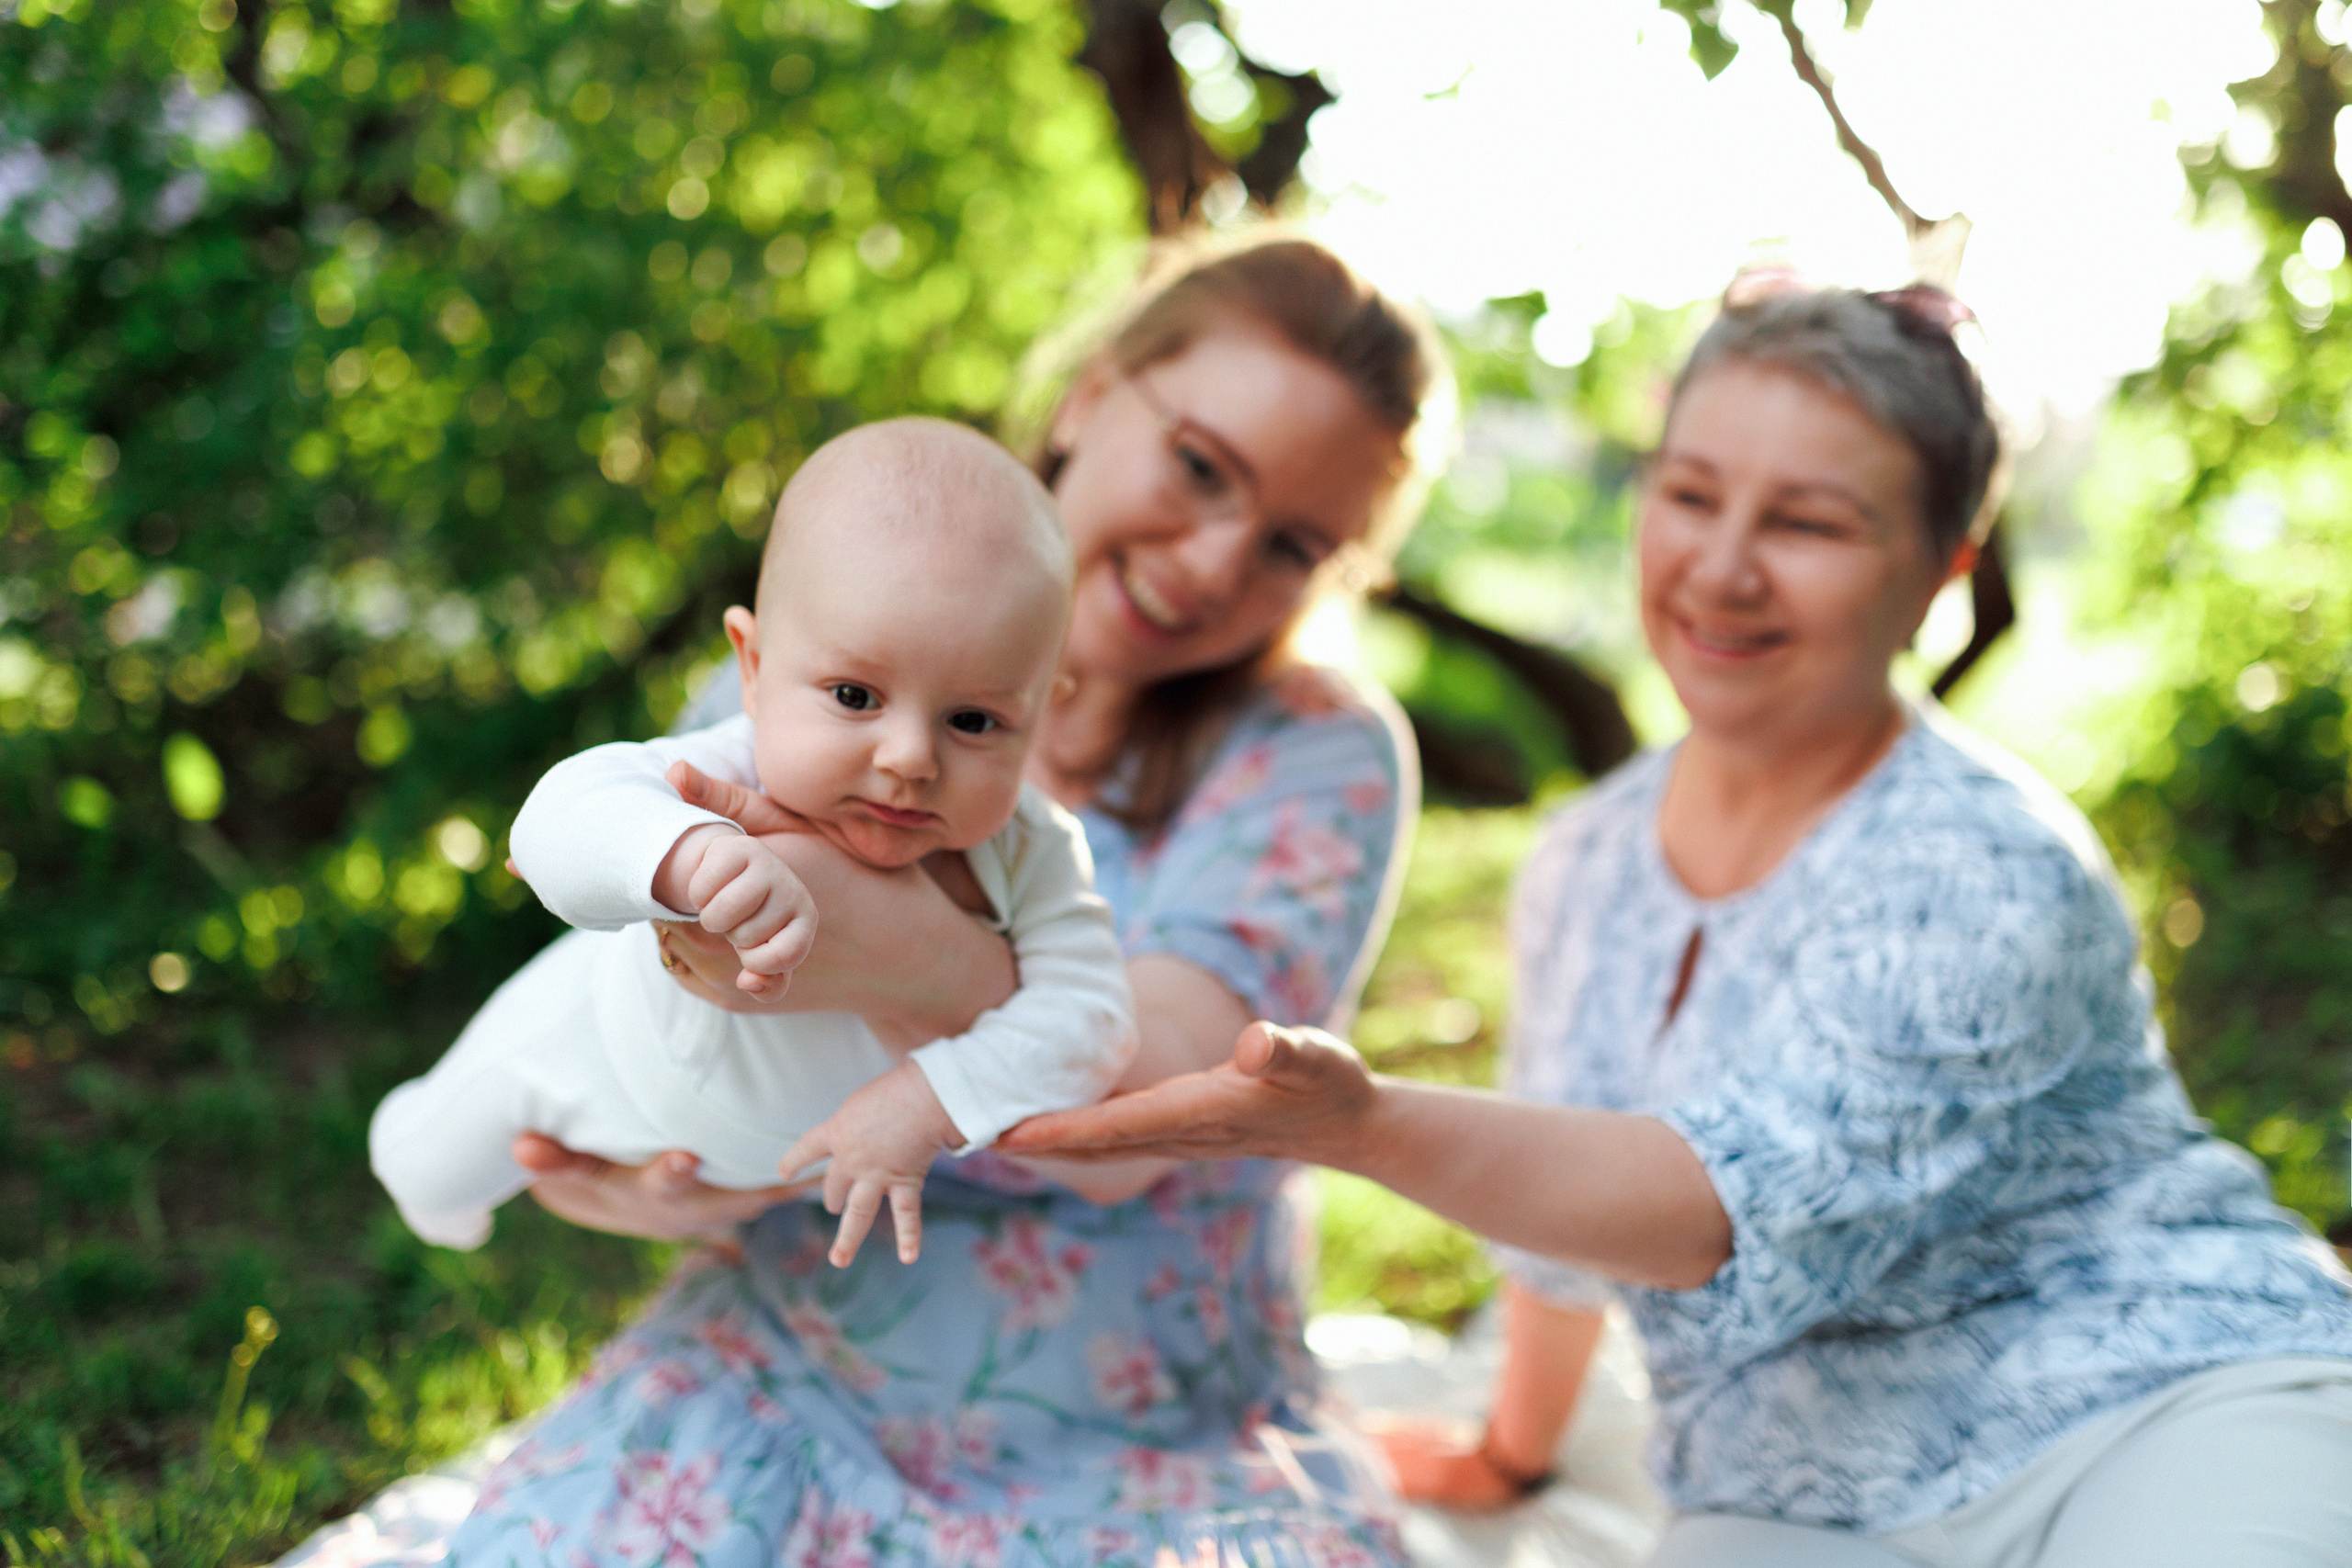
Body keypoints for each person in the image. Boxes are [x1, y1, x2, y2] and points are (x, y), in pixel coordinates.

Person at [1006, 285, 2352, 1567]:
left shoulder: (1989, 861)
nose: (1721, 567)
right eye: (1692, 493)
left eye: (1808, 524)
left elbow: (1719, 1204)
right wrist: (1506, 1452)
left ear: (1943, 567)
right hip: (1797, 1491)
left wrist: (1356, 1126)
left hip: (2148, 1405)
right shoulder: (1585, 855)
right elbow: (1567, 1209)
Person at [283, 235, 1448, 1568]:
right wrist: (675, 1177)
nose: (1217, 556)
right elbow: (621, 908)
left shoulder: (1312, 749)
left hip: (1136, 1376)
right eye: (1200, 466)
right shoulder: (833, 617)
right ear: (1092, 395)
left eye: (1296, 543)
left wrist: (902, 954)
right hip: (806, 1321)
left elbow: (1165, 1103)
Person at [368, 419, 1136, 1268]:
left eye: (975, 720)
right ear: (755, 667)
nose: (912, 757)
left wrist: (932, 1099)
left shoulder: (1035, 855)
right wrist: (691, 855)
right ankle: (419, 1172)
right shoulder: (729, 767)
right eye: (854, 694)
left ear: (1041, 710)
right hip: (597, 1049)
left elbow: (1093, 1023)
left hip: (760, 1161)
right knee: (433, 1161)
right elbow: (557, 819)